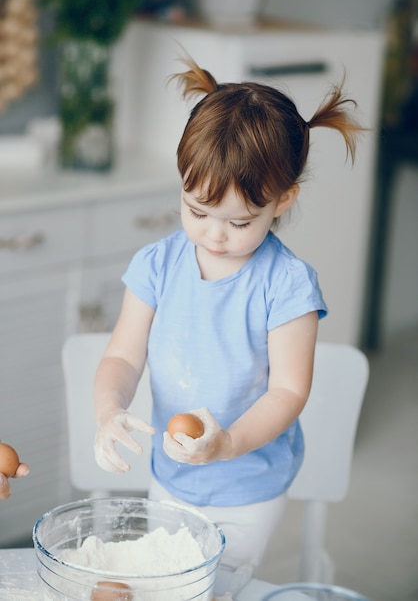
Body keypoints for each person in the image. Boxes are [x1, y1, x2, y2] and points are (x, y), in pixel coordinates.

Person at [93, 58, 362, 574]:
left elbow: (289, 391)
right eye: (196, 211)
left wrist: (227, 444)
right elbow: (123, 357)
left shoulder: (286, 285)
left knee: (207, 586)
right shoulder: (156, 265)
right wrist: (109, 411)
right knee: (162, 577)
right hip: (170, 475)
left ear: (283, 200)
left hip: (247, 484)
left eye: (239, 221)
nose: (214, 235)